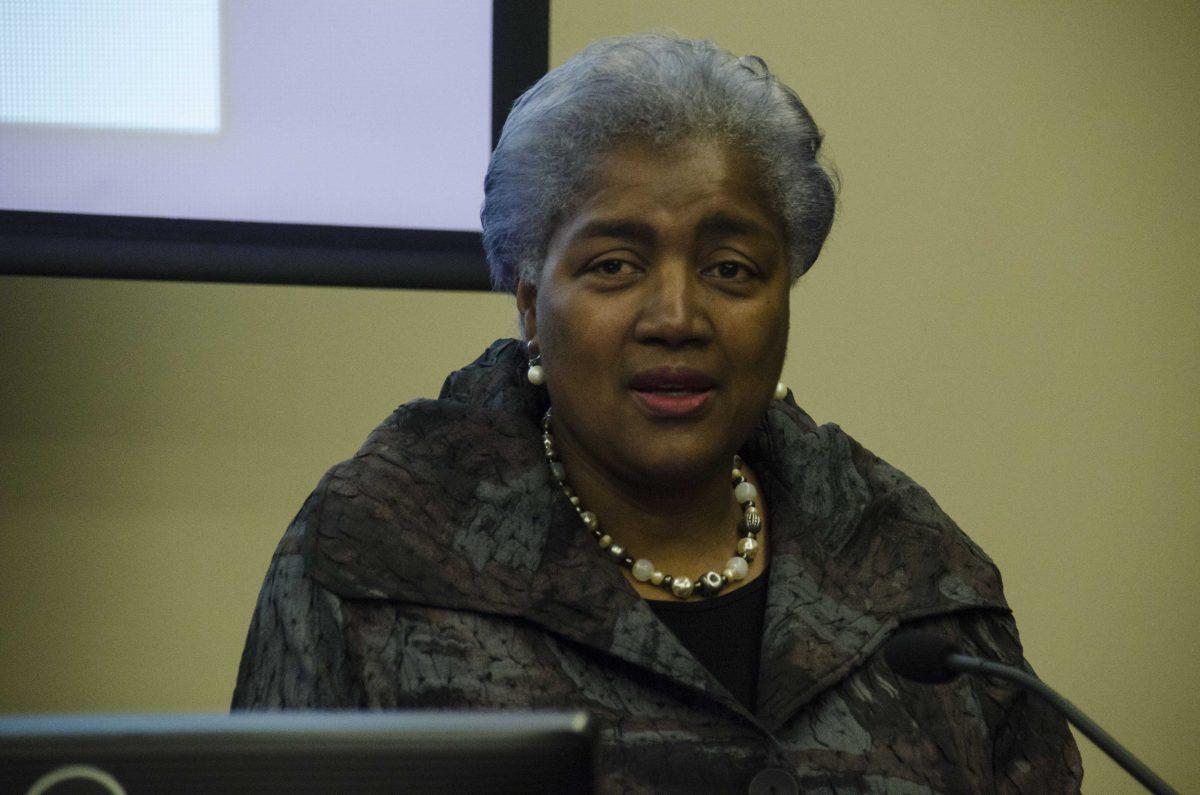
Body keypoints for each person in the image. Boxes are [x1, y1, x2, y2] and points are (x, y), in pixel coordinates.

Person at [233, 34, 1083, 792]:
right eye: (614, 265)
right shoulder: (381, 548)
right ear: (531, 302)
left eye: (731, 270)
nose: (676, 316)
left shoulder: (913, 569)